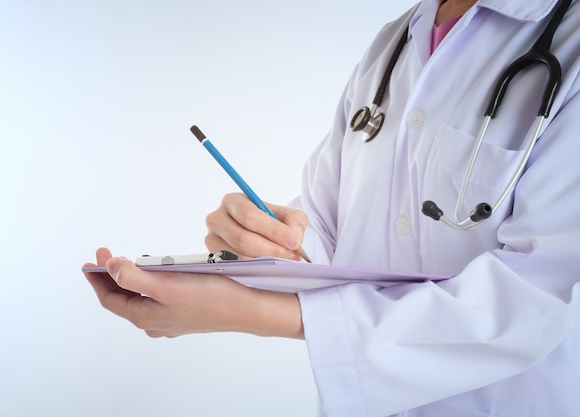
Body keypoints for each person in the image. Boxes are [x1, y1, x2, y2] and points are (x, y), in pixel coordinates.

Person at [83, 0, 580, 415]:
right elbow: (328, 226)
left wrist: (255, 312)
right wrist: (262, 242)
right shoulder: (393, 44)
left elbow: (538, 298)